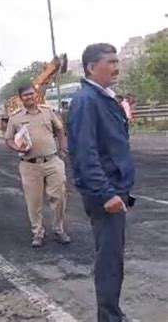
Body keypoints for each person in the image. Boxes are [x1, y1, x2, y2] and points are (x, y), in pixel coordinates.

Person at [67, 43, 135, 322]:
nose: (116, 67)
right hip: (104, 192)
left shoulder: (103, 97)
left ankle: (112, 313)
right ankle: (109, 318)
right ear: (91, 68)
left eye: (117, 61)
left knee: (113, 260)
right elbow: (85, 153)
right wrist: (106, 193)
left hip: (114, 187)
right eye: (110, 62)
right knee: (109, 262)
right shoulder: (87, 100)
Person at [5, 83, 71, 248]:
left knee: (59, 196)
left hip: (52, 161)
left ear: (36, 95)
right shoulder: (16, 117)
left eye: (31, 94)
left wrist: (63, 147)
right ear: (21, 99)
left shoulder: (47, 112)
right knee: (34, 202)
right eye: (25, 95)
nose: (29, 97)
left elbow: (60, 129)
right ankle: (38, 233)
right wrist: (16, 147)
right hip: (30, 165)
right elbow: (8, 139)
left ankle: (59, 228)